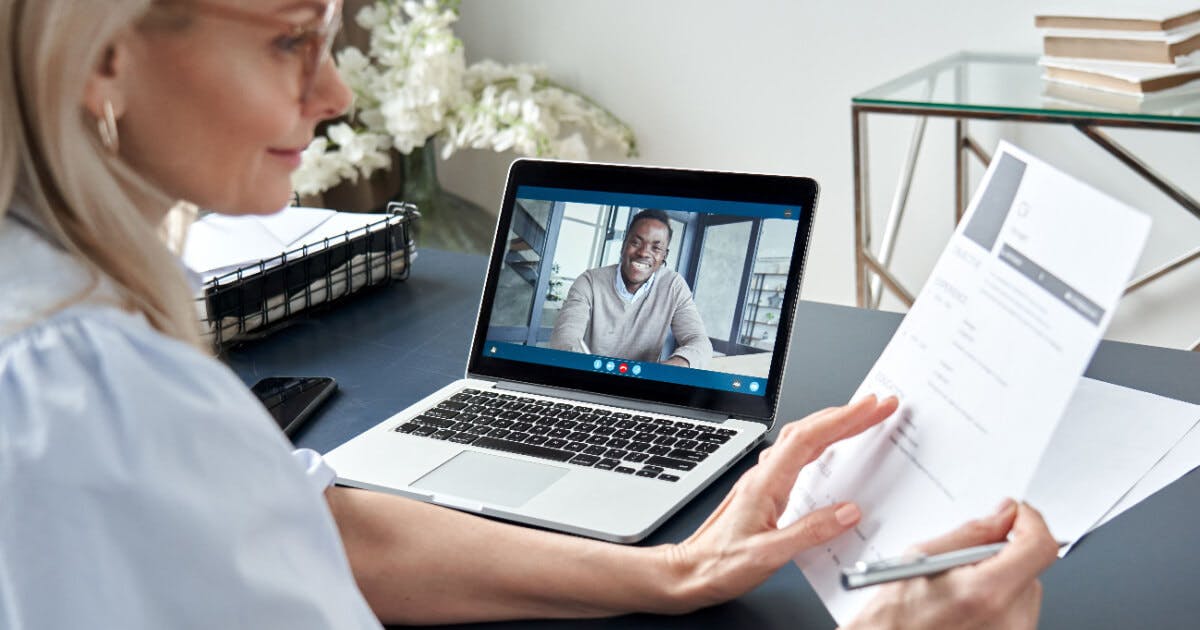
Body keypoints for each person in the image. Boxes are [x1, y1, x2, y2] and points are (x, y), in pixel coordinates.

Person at [0, 1, 1059, 627]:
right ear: (104, 50)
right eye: (289, 40)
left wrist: (672, 571)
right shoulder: (86, 397)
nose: (333, 95)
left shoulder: (63, 317)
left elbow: (316, 522)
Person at [550, 209, 713, 368]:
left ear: (664, 256)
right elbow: (565, 338)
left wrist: (673, 366)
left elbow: (699, 342)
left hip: (641, 387)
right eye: (636, 242)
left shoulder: (674, 286)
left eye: (656, 248)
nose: (643, 253)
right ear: (623, 245)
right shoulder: (589, 282)